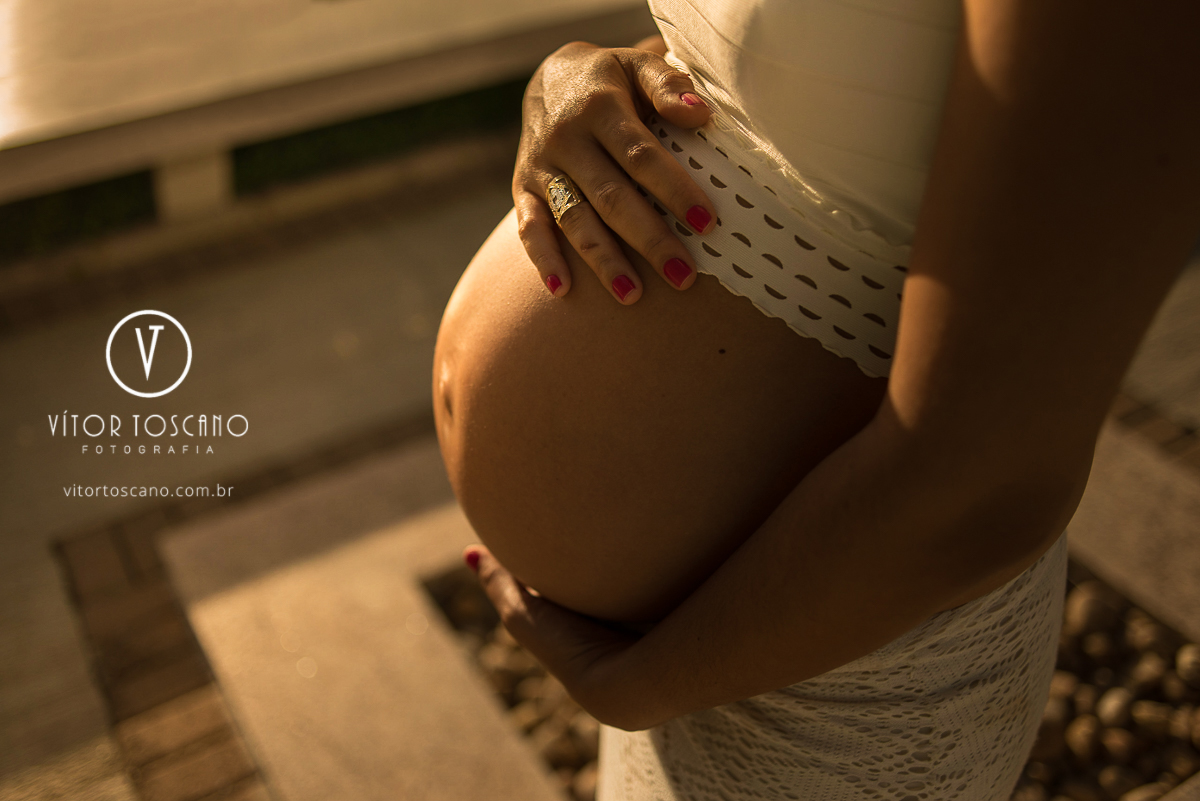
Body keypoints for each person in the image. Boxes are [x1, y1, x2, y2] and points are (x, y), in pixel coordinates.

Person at [432, 1, 1200, 798]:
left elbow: (992, 484)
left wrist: (640, 687)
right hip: (686, 638)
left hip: (843, 648)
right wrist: (591, 76)